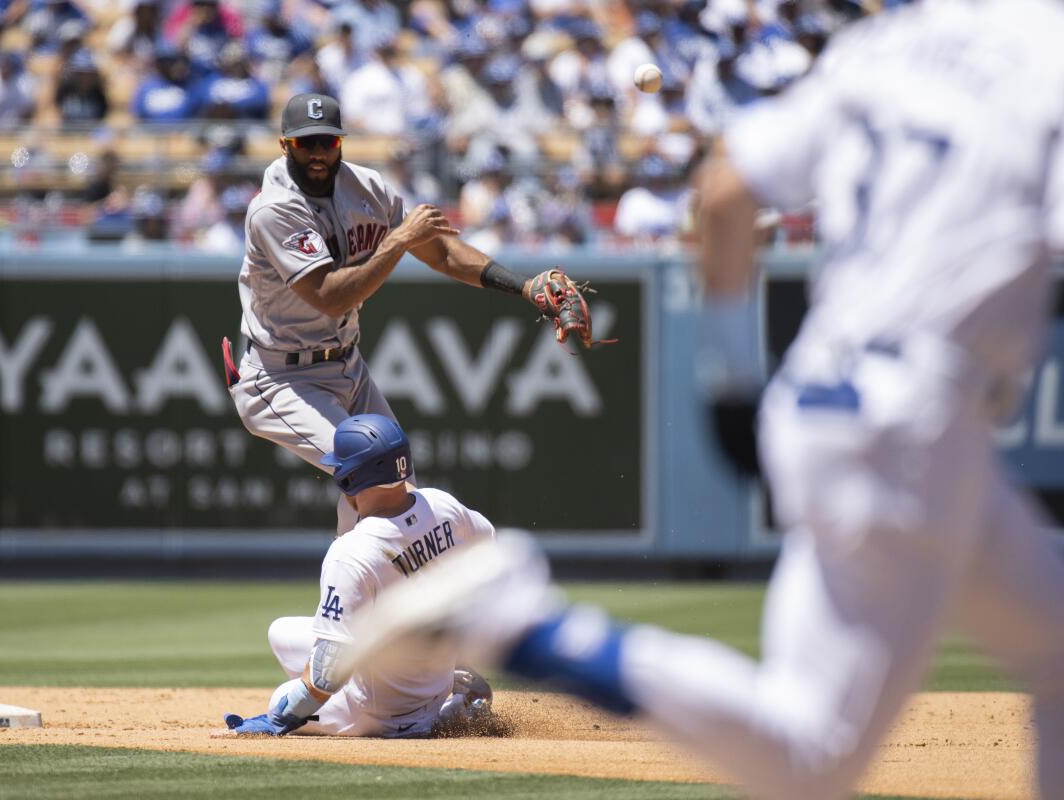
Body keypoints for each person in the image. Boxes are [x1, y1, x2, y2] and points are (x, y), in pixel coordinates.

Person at [347, 2, 1064, 798]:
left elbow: (722, 196)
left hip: (822, 397)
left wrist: (732, 379)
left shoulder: (888, 46)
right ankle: (517, 622)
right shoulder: (1047, 61)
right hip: (918, 420)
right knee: (812, 754)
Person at [228, 92, 590, 537]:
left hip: (346, 363)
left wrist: (523, 285)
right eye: (307, 144)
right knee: (371, 471)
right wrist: (396, 241)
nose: (319, 153)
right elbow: (330, 295)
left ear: (341, 143)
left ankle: (356, 601)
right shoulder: (275, 208)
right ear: (285, 146)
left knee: (395, 479)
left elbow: (439, 251)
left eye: (328, 142)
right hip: (280, 378)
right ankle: (348, 600)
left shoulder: (365, 188)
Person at [223, 414, 495, 738]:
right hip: (433, 674)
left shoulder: (352, 552)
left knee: (281, 699)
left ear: (349, 479)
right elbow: (488, 549)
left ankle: (433, 720)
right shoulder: (442, 503)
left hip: (382, 713)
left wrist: (278, 719)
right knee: (280, 633)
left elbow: (326, 678)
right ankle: (458, 690)